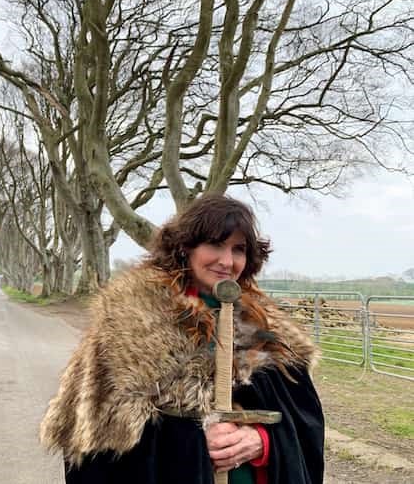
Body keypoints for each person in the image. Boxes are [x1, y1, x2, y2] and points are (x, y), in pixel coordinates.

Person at [40, 195, 324, 484]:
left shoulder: (267, 330)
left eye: (238, 249)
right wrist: (194, 443)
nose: (227, 261)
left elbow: (304, 425)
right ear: (185, 247)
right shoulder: (130, 324)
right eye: (215, 244)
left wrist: (263, 441)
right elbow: (95, 440)